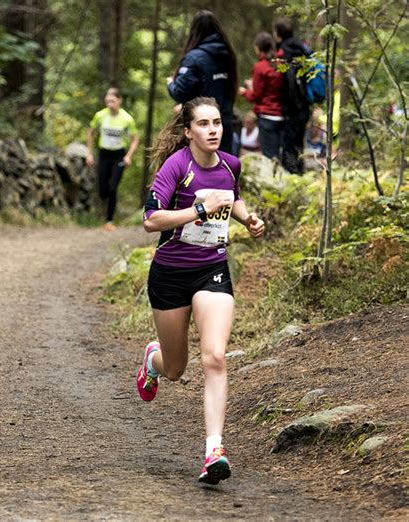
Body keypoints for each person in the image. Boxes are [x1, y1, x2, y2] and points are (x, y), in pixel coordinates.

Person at [137, 97, 265, 484]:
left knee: (215, 357)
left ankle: (214, 450)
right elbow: (151, 220)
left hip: (212, 270)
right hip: (170, 275)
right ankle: (152, 361)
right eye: (204, 124)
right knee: (176, 369)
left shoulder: (231, 164)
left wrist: (248, 218)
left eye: (217, 123)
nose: (213, 130)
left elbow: (233, 196)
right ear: (188, 131)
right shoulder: (176, 167)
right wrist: (200, 211)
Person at [166, 10, 238, 154]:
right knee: (222, 169)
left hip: (200, 127)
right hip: (223, 124)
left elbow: (180, 91)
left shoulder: (194, 58)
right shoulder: (228, 54)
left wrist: (170, 84)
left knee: (197, 172)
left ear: (194, 31)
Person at [86, 88, 139, 230]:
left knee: (113, 187)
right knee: (103, 189)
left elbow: (135, 139)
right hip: (104, 155)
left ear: (119, 101)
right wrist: (89, 153)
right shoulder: (100, 116)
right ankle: (103, 214)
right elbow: (90, 133)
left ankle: (109, 220)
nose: (110, 104)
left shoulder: (127, 119)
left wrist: (128, 156)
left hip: (119, 156)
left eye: (113, 101)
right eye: (107, 101)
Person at [273, 17, 312, 174]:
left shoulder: (285, 51)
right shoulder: (301, 48)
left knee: (289, 143)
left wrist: (289, 105)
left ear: (278, 34)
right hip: (304, 104)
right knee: (298, 143)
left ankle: (292, 176)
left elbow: (288, 80)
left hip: (292, 107)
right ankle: (300, 172)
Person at [239, 32, 283, 160]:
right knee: (278, 153)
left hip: (267, 116)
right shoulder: (279, 64)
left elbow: (256, 96)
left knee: (269, 155)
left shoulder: (260, 67)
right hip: (281, 115)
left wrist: (244, 91)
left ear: (258, 47)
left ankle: (272, 179)